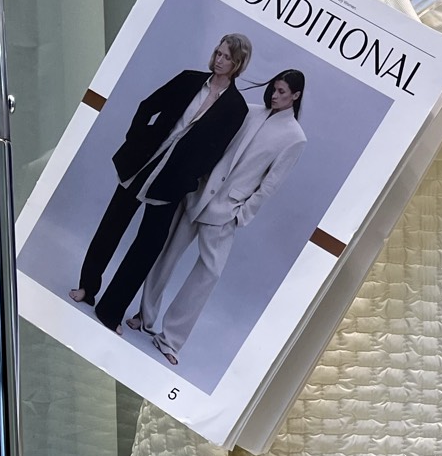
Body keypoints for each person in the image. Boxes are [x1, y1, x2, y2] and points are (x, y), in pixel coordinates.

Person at [130, 69, 308, 368]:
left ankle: (171, 339)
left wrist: (241, 215)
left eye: (282, 91)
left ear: (296, 95)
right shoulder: (250, 112)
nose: (275, 95)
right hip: (198, 194)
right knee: (167, 254)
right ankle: (144, 316)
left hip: (228, 210)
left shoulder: (295, 138)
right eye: (274, 88)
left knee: (208, 274)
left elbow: (270, 185)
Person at [87, 33, 253, 332]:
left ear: (238, 63)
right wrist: (136, 140)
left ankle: (111, 311)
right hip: (141, 165)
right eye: (218, 53)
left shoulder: (236, 107)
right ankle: (87, 288)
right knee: (110, 227)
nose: (219, 59)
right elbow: (147, 106)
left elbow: (214, 152)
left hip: (172, 182)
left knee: (147, 248)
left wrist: (188, 178)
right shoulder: (190, 78)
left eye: (227, 57)